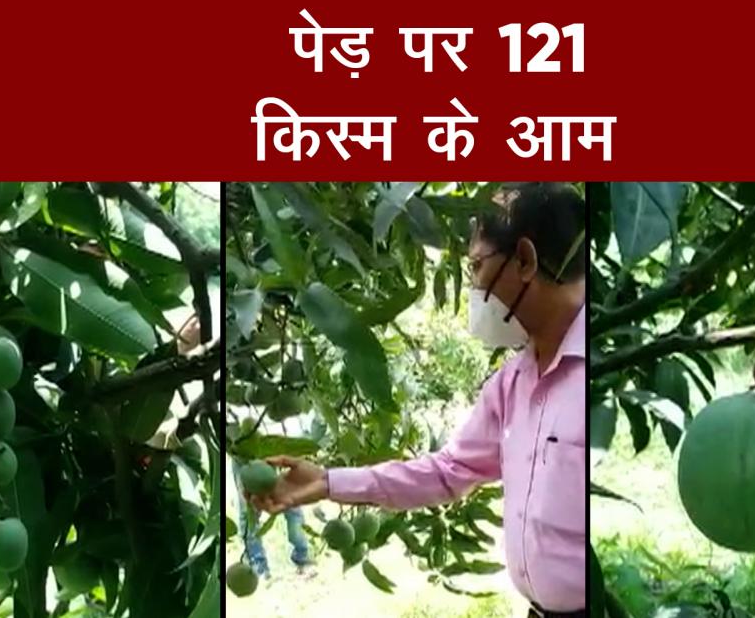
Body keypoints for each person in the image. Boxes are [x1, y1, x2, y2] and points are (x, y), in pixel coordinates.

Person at [251, 183, 586, 618]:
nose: (474, 286)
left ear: (524, 260)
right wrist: (329, 483)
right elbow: (448, 471)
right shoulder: (512, 382)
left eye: (476, 266)